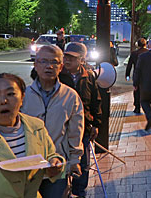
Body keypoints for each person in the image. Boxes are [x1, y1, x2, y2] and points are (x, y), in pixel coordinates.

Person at [21, 45, 84, 198]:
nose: (48, 66)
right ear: (35, 65)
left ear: (61, 67)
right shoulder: (22, 95)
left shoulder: (70, 96)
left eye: (54, 62)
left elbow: (75, 131)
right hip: (28, 167)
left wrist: (75, 160)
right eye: (43, 61)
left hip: (57, 166)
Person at [59, 42, 102, 198]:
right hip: (61, 126)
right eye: (66, 56)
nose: (67, 60)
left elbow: (96, 101)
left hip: (84, 126)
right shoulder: (58, 75)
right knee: (61, 160)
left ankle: (79, 192)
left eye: (72, 57)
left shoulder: (88, 76)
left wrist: (96, 124)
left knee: (82, 163)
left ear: (82, 60)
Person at [125, 38, 148, 114]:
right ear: (145, 44)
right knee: (146, 90)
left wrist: (127, 75)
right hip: (146, 75)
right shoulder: (148, 53)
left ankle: (137, 107)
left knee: (136, 90)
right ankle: (146, 106)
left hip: (137, 74)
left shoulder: (134, 53)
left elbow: (129, 65)